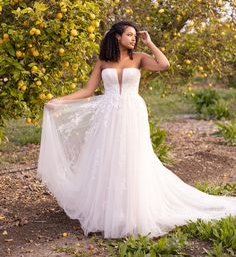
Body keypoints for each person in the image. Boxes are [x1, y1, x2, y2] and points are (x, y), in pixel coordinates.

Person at [37, 20, 236, 239]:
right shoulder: (103, 61)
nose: (133, 38)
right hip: (108, 114)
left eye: (134, 35)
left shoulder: (139, 58)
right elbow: (88, 90)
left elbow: (164, 65)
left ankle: (132, 211)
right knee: (107, 159)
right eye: (130, 35)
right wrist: (60, 101)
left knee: (133, 158)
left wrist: (149, 43)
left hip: (132, 112)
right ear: (117, 37)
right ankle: (108, 211)